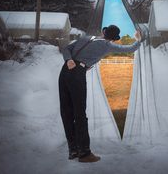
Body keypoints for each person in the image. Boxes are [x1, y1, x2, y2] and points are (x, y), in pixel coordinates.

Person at [58, 25, 142, 163]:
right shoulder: (107, 45)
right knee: (79, 114)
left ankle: (73, 150)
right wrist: (137, 39)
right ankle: (84, 153)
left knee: (66, 112)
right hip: (77, 75)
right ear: (113, 39)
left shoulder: (86, 38)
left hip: (65, 72)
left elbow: (66, 49)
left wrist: (69, 60)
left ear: (104, 32)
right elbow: (130, 49)